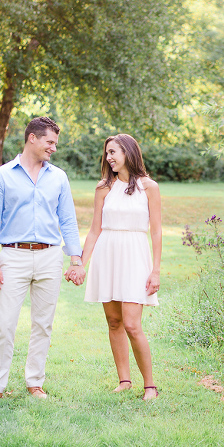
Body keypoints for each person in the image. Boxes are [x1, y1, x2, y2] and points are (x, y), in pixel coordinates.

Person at [0, 116, 85, 406]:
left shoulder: (59, 177)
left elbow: (68, 221)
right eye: (50, 142)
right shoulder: (1, 176)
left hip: (50, 256)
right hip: (13, 255)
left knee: (43, 325)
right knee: (5, 323)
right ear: (32, 139)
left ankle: (35, 383)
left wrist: (76, 259)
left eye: (55, 143)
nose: (53, 148)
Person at [74, 134, 161, 401]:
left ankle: (150, 386)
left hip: (135, 255)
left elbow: (156, 232)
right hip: (107, 254)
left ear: (129, 152)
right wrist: (80, 263)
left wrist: (155, 270)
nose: (109, 157)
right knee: (114, 322)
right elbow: (94, 230)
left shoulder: (149, 187)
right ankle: (124, 380)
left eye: (113, 152)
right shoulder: (103, 187)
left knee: (133, 324)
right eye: (107, 153)